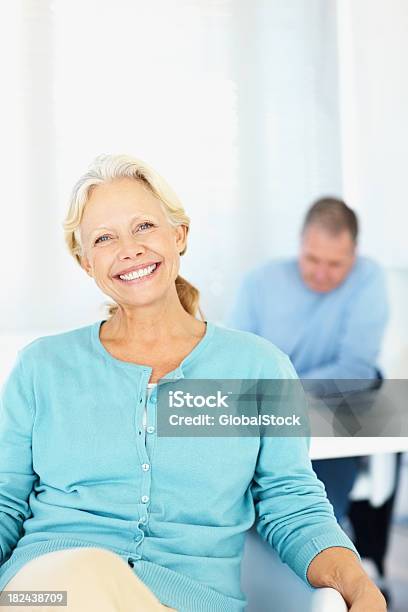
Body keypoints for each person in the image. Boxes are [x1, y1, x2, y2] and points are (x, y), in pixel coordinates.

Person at [0, 157, 386, 612]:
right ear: (86, 262)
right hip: (42, 595)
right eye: (104, 238)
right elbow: (6, 503)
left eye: (144, 226)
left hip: (192, 601)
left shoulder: (257, 368)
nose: (129, 248)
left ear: (178, 234)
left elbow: (294, 506)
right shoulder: (42, 367)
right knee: (76, 577)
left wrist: (360, 585)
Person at [227, 197, 389, 521]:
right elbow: (238, 363)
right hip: (263, 429)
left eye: (334, 264)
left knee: (313, 518)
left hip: (332, 428)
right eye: (312, 259)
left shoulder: (368, 278)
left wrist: (279, 394)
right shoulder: (260, 282)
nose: (320, 273)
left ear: (353, 254)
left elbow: (356, 370)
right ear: (300, 244)